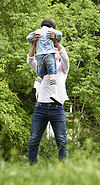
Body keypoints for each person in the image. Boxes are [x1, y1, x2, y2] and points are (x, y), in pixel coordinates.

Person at [27, 27, 70, 164]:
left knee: (62, 141)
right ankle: (32, 167)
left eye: (56, 51)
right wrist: (34, 43)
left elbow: (65, 57)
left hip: (57, 108)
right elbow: (30, 60)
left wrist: (56, 42)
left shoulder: (63, 68)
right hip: (41, 107)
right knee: (34, 140)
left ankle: (64, 169)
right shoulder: (42, 67)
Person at [27, 19, 63, 105]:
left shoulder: (37, 32)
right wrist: (57, 40)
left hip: (39, 56)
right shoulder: (50, 30)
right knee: (52, 75)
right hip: (49, 55)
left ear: (41, 26)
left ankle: (35, 89)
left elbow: (28, 38)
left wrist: (33, 42)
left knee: (40, 75)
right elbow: (60, 34)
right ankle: (54, 94)